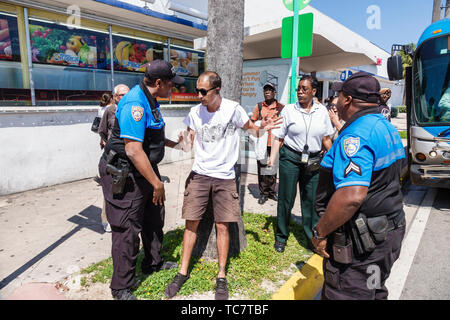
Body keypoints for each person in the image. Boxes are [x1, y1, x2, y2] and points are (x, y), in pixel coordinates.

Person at [164, 71, 281, 300]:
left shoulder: (233, 109)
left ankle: (221, 276)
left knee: (223, 227)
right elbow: (188, 147)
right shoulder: (194, 113)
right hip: (199, 175)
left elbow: (253, 131)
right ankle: (182, 272)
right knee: (191, 225)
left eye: (203, 91)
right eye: (197, 90)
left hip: (225, 177)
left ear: (217, 90)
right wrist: (181, 142)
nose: (199, 96)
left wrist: (263, 127)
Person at [313, 72, 406, 300]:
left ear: (348, 99)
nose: (336, 100)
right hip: (387, 234)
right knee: (373, 289)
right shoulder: (386, 127)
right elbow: (399, 171)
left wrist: (320, 232)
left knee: (347, 293)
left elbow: (351, 197)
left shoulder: (355, 135)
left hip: (362, 243)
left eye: (339, 94)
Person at [99, 60, 184, 300]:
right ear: (159, 83)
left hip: (145, 169)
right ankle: (121, 287)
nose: (173, 88)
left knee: (154, 217)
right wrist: (157, 183)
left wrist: (173, 144)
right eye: (171, 84)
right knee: (126, 228)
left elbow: (150, 135)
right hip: (124, 172)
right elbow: (134, 149)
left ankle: (153, 263)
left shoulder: (151, 99)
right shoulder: (135, 103)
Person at [268, 75, 333, 253]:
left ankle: (311, 237)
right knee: (286, 199)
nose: (300, 92)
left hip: (313, 161)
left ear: (314, 91)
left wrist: (336, 159)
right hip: (290, 158)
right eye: (299, 89)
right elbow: (279, 137)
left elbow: (326, 138)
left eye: (305, 89)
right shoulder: (289, 110)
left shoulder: (322, 111)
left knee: (310, 201)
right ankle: (281, 236)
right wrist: (272, 159)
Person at [98, 84, 130, 233]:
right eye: (121, 95)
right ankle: (107, 218)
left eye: (127, 94)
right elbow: (102, 130)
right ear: (115, 97)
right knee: (110, 188)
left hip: (128, 156)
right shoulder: (110, 110)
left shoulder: (132, 110)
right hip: (112, 156)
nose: (124, 97)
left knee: (124, 188)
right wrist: (108, 144)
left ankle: (123, 216)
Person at [250, 82, 284, 204]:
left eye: (270, 90)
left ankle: (271, 191)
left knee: (272, 168)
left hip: (275, 143)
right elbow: (252, 124)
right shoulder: (259, 106)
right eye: (265, 90)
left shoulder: (281, 107)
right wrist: (261, 124)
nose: (267, 92)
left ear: (275, 92)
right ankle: (263, 193)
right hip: (262, 142)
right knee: (262, 168)